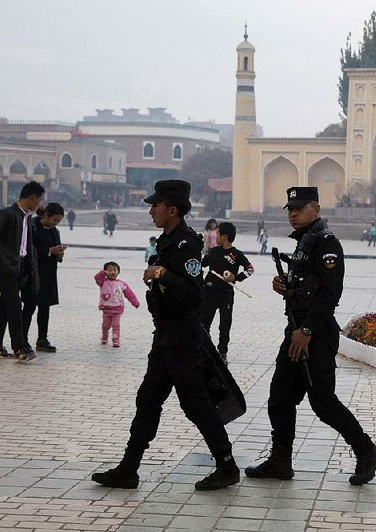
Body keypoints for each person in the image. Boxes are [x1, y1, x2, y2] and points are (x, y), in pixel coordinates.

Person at [91, 180, 241, 491]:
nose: (150, 210)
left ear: (171, 209)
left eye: (155, 205)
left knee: (196, 404)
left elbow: (193, 294)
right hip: (166, 336)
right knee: (147, 400)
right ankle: (128, 469)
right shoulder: (168, 241)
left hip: (183, 339)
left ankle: (227, 466)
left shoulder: (186, 244)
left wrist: (162, 274)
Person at [245, 186, 376, 485]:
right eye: (290, 210)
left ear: (316, 210)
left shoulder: (326, 244)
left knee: (323, 402)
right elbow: (308, 286)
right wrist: (286, 286)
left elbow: (330, 294)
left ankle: (367, 451)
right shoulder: (304, 244)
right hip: (296, 331)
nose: (293, 214)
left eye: (299, 208)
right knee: (280, 397)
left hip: (315, 335)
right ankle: (280, 461)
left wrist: (307, 330)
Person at [0, 180, 44, 363]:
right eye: (38, 200)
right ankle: (20, 348)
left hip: (19, 268)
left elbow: (26, 246)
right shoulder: (7, 214)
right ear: (31, 197)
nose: (38, 203)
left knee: (6, 307)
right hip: (6, 268)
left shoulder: (25, 217)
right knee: (15, 307)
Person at [201, 222, 255, 364]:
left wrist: (235, 278)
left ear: (224, 237)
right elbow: (202, 263)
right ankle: (204, 349)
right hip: (209, 292)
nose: (215, 236)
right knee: (204, 322)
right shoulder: (214, 251)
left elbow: (250, 269)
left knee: (224, 325)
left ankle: (222, 352)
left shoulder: (236, 255)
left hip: (226, 294)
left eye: (217, 234)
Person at [22, 203, 66, 353]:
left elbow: (56, 250)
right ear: (46, 215)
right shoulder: (32, 227)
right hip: (33, 274)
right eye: (55, 220)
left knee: (45, 307)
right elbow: (28, 250)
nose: (56, 223)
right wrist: (49, 251)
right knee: (29, 307)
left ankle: (42, 339)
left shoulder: (55, 231)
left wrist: (59, 253)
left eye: (58, 221)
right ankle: (22, 340)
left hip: (48, 274)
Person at [94, 262, 140, 347]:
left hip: (117, 309)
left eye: (115, 270)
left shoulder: (122, 284)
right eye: (109, 270)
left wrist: (135, 303)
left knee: (116, 325)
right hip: (106, 308)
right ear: (105, 272)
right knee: (105, 325)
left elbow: (129, 294)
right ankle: (104, 336)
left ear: (118, 272)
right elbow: (96, 278)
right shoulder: (102, 282)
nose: (112, 272)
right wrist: (102, 273)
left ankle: (116, 340)